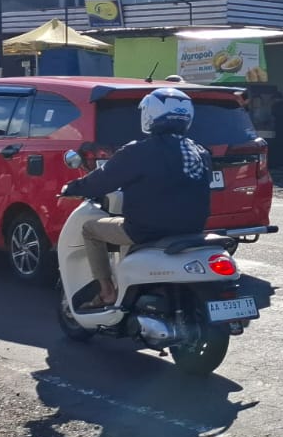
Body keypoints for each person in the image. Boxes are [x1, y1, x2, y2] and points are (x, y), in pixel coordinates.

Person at [59, 87, 213, 310]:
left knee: (90, 229)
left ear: (150, 115)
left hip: (145, 229)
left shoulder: (138, 151)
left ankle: (107, 291)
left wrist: (71, 188)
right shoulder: (199, 151)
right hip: (192, 228)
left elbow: (102, 180)